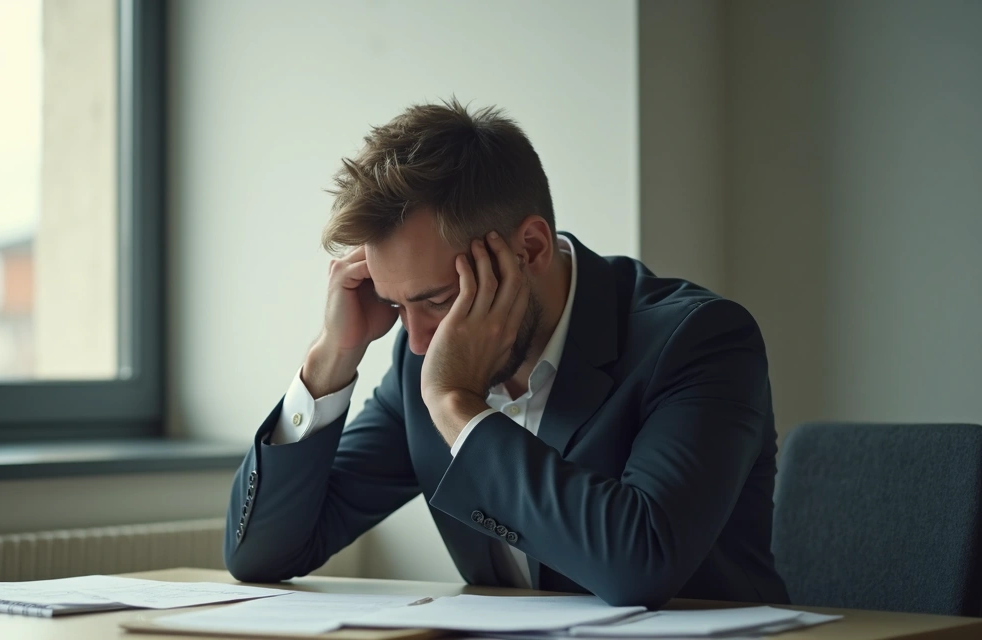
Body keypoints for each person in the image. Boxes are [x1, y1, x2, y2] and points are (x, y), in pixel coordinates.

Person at [222, 99, 789, 608]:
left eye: (438, 301)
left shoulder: (699, 340)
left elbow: (641, 564)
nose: (418, 342)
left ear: (531, 248)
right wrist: (331, 357)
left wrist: (456, 405)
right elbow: (262, 557)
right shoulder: (419, 359)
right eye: (397, 306)